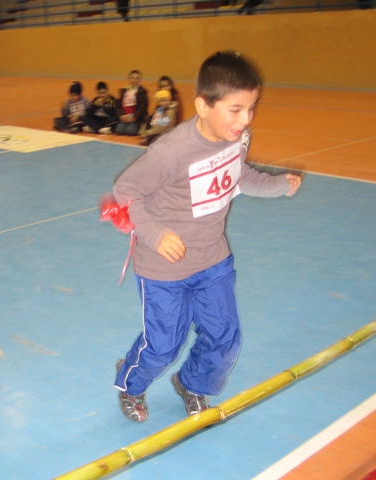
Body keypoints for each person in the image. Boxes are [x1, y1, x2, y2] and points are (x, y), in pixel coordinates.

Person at [111, 51, 302, 422]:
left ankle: (193, 383)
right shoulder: (171, 152)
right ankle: (131, 384)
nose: (245, 120)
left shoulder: (237, 138)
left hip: (213, 259)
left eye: (251, 108)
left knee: (224, 335)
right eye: (235, 110)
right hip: (164, 269)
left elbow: (241, 176)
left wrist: (278, 185)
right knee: (164, 345)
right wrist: (154, 234)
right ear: (203, 106)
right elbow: (125, 191)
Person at [114, 70, 149, 137]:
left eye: (137, 78)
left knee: (130, 131)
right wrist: (121, 116)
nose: (134, 80)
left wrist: (134, 117)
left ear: (140, 80)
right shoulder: (123, 91)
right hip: (125, 117)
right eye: (132, 77)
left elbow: (143, 107)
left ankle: (141, 126)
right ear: (129, 79)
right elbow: (118, 106)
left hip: (136, 118)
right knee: (118, 130)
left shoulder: (142, 91)